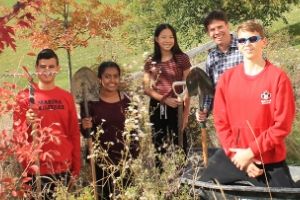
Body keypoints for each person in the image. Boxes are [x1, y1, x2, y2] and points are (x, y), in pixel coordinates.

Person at [200, 20, 295, 187]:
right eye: (243, 40)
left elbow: (282, 125)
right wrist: (239, 156)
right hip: (234, 156)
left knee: (288, 195)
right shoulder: (227, 80)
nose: (248, 44)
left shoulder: (278, 78)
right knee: (201, 188)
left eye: (253, 39)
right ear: (238, 44)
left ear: (263, 42)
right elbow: (221, 122)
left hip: (268, 159)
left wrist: (251, 151)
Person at [13, 49, 81, 199]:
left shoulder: (66, 97)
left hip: (64, 167)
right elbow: (17, 135)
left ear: (58, 68)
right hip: (35, 170)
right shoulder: (25, 97)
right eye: (43, 67)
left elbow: (74, 133)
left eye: (51, 66)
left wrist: (76, 167)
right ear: (37, 68)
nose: (47, 71)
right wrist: (27, 123)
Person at [80, 61, 139, 200]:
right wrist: (84, 125)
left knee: (127, 195)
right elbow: (85, 133)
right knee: (105, 196)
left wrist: (134, 154)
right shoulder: (90, 103)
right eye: (107, 76)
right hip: (101, 162)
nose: (112, 80)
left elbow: (134, 132)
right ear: (100, 79)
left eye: (115, 76)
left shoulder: (128, 101)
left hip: (125, 160)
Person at [143, 23, 191, 158]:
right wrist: (165, 99)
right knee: (158, 146)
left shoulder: (182, 58)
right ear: (157, 39)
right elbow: (146, 88)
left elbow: (189, 86)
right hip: (157, 106)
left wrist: (186, 114)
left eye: (171, 37)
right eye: (163, 37)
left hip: (177, 106)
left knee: (180, 145)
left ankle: (182, 176)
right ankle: (162, 176)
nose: (168, 40)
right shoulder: (151, 61)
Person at [197, 10, 243, 121]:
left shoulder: (244, 47)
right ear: (208, 33)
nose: (217, 32)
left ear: (227, 26)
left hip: (247, 109)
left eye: (220, 27)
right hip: (224, 116)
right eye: (212, 29)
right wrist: (205, 110)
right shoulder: (212, 57)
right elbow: (209, 89)